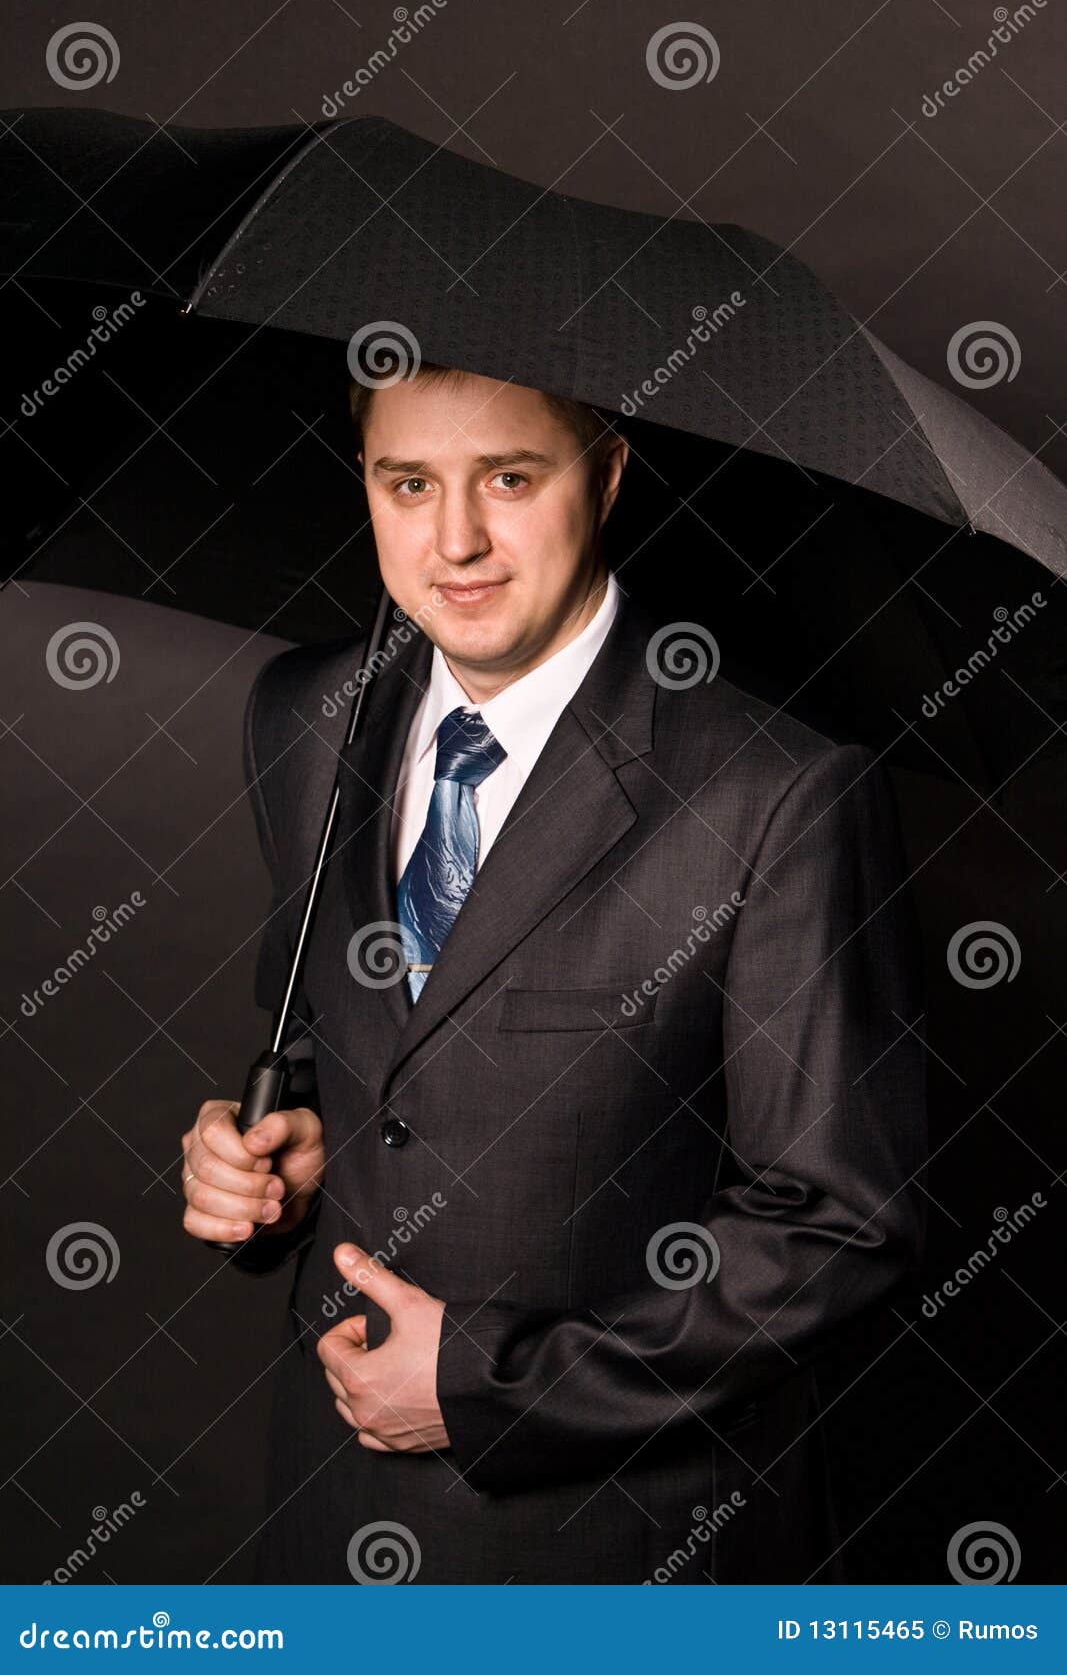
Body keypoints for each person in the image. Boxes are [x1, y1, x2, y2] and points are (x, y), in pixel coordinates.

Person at [180, 357, 927, 1584]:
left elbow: (839, 1224)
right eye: (408, 482)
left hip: (616, 1548)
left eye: (510, 478)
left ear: (608, 474)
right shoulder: (304, 715)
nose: (456, 539)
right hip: (330, 1522)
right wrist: (273, 1158)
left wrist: (494, 1390)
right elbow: (342, 1050)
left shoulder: (775, 792)